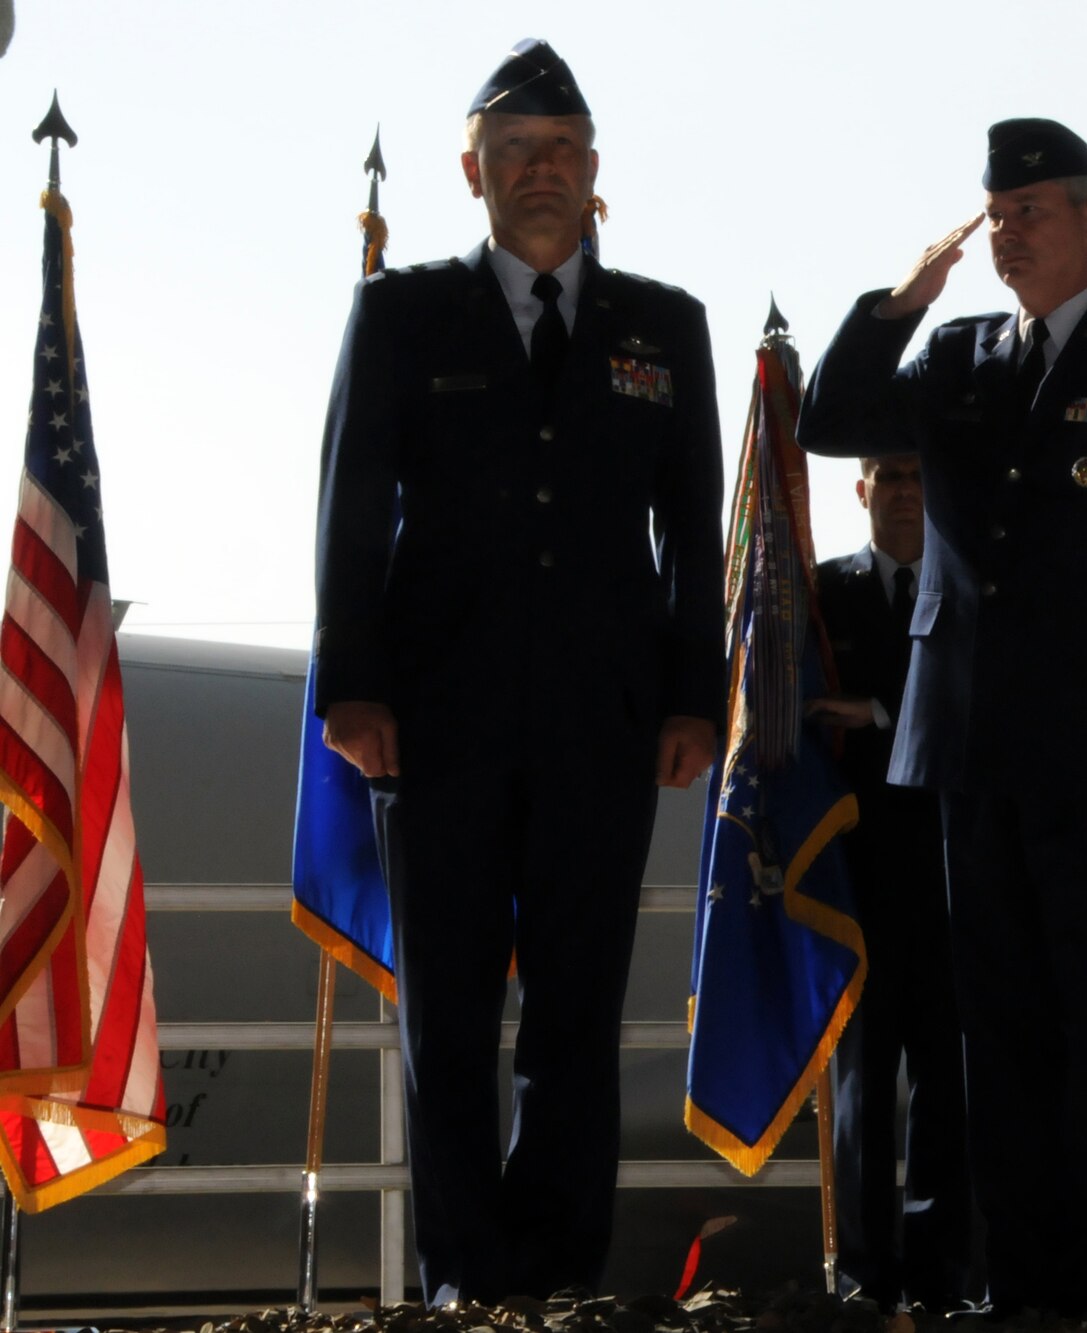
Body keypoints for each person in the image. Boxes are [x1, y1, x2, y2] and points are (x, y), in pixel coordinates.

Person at [796, 118, 1087, 1316]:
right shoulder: (953, 357)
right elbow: (831, 417)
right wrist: (898, 302)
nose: (1008, 232)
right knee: (990, 1030)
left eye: (1031, 211)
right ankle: (1017, 1286)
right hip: (967, 738)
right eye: (995, 213)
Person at [312, 38, 723, 1306]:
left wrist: (694, 696)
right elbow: (349, 506)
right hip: (435, 719)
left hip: (600, 721)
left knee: (574, 1013)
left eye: (559, 152)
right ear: (472, 172)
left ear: (593, 172)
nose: (538, 173)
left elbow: (690, 530)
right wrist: (352, 686)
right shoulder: (403, 313)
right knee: (443, 1015)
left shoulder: (663, 326)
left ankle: (555, 1272)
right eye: (513, 154)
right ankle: (465, 1279)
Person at [809, 455, 975, 1310]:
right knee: (862, 1086)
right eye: (889, 473)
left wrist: (876, 710)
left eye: (918, 473)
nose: (907, 487)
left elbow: (977, 696)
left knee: (948, 1083)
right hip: (856, 878)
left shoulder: (970, 582)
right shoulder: (818, 593)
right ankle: (866, 1279)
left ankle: (942, 1276)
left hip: (951, 870)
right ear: (862, 487)